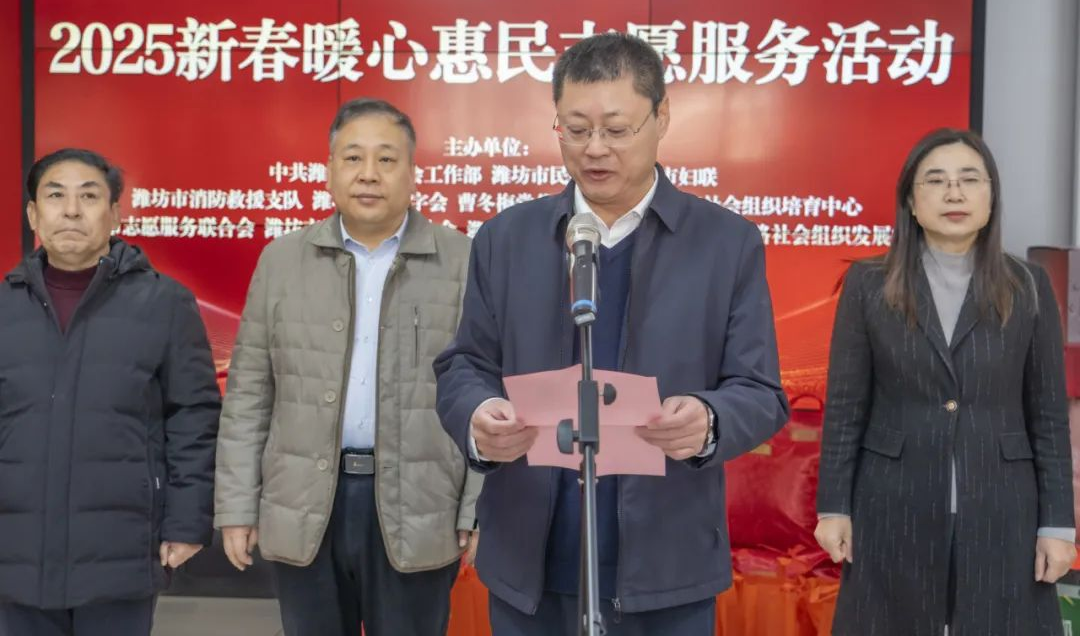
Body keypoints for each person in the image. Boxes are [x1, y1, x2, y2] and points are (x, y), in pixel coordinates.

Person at [435, 32, 789, 635]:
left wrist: (708, 420)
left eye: (617, 130)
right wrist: (478, 416)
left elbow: (760, 391)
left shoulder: (725, 243)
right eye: (575, 129)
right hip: (530, 562)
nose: (594, 149)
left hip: (667, 563)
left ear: (662, 117)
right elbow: (464, 364)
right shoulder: (507, 238)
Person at [214, 98, 481, 636]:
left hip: (419, 504)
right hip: (305, 503)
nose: (368, 174)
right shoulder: (282, 261)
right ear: (330, 170)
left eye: (387, 159)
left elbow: (487, 395)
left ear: (413, 173)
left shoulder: (464, 262)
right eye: (353, 158)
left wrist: (476, 507)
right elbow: (248, 395)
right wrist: (237, 505)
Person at [816, 128, 1076, 636]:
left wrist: (1057, 524)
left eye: (969, 179)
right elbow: (846, 407)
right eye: (935, 180)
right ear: (912, 203)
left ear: (991, 198)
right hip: (892, 501)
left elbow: (1047, 414)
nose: (954, 193)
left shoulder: (1028, 285)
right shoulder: (868, 285)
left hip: (1003, 506)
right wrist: (833, 507)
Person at [0, 148, 220, 636]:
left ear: (115, 214)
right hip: (15, 552)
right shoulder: (4, 307)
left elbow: (194, 417)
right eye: (55, 196)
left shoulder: (164, 303)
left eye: (89, 196)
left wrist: (187, 522)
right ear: (33, 214)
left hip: (122, 550)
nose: (71, 210)